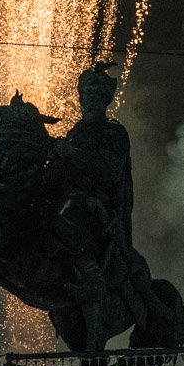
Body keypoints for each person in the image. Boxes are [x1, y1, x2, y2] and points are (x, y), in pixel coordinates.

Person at [43, 62, 138, 301]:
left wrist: (70, 153)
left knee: (65, 216)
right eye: (87, 95)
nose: (90, 101)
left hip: (97, 202)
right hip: (68, 192)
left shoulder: (114, 133)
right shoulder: (77, 131)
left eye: (96, 96)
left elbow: (107, 171)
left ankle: (92, 275)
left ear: (105, 101)